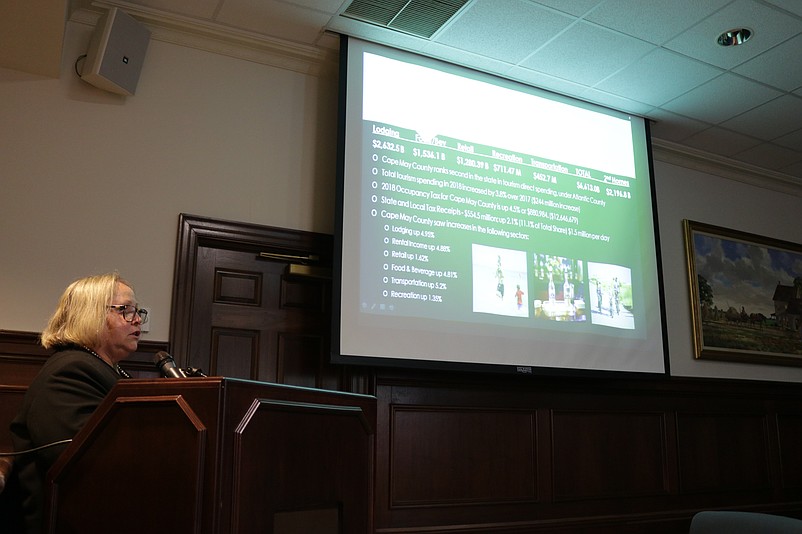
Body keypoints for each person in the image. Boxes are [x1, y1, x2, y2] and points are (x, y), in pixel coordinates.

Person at [8, 272, 146, 534]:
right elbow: (86, 465)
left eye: (138, 311)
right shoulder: (70, 371)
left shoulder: (101, 367)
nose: (137, 319)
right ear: (91, 315)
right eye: (126, 310)